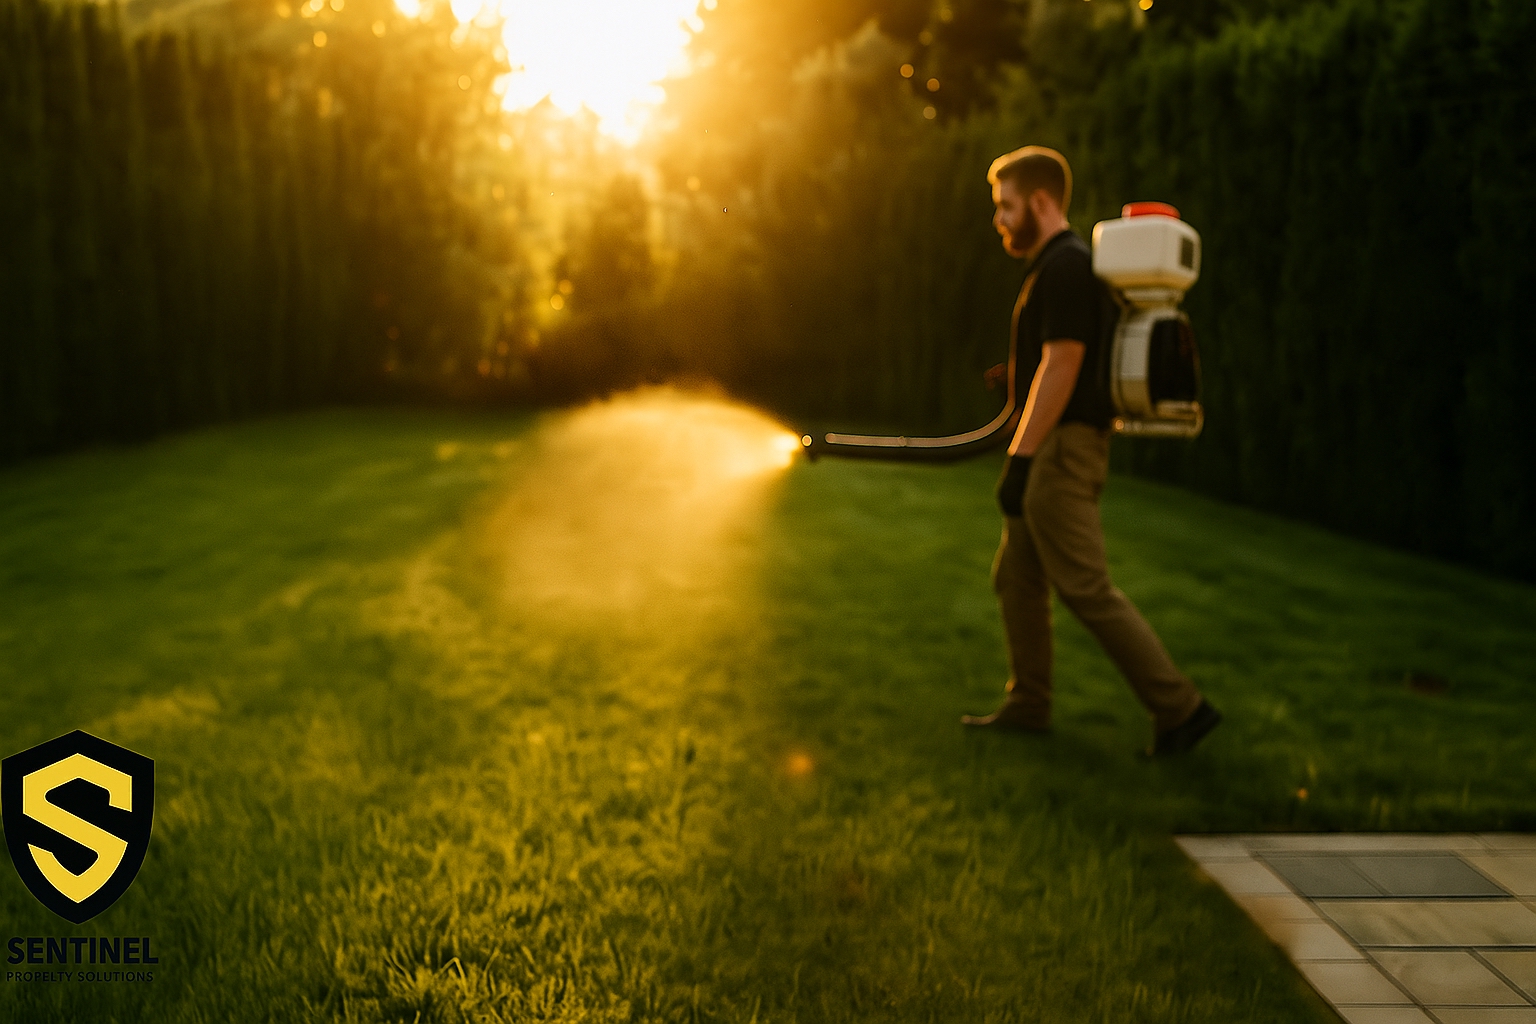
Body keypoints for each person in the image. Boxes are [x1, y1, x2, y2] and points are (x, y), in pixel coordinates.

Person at [960, 146, 1222, 757]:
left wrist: (1021, 459)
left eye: (1006, 206)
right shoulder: (1063, 267)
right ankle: (1029, 704)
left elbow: (1066, 359)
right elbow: (1057, 362)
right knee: (1016, 576)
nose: (998, 219)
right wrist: (1017, 381)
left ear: (1041, 201)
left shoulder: (1067, 266)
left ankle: (1180, 708)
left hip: (1060, 452)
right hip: (1055, 442)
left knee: (1084, 586)